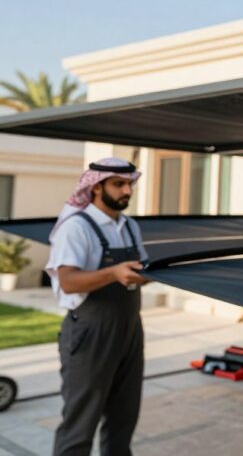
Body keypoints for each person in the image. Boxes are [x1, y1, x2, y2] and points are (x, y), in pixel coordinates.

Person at [46, 158, 150, 456]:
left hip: (129, 329)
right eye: (118, 184)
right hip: (89, 332)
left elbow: (137, 271)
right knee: (80, 421)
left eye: (129, 183)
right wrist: (113, 273)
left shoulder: (129, 226)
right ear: (95, 187)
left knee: (123, 418)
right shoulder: (76, 227)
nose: (126, 190)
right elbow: (68, 281)